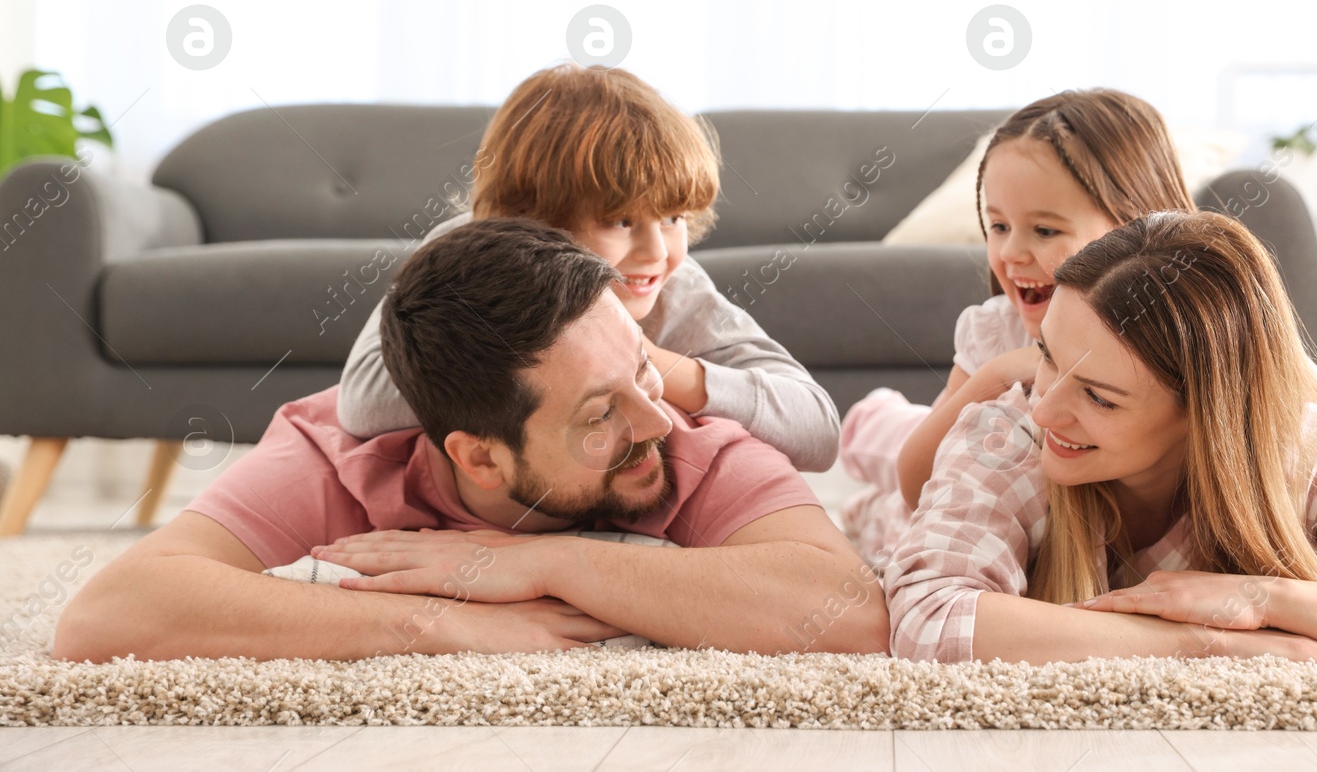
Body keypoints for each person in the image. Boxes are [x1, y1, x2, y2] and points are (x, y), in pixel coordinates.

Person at [54, 219, 886, 662]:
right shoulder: (334, 451)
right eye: (598, 414)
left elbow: (850, 613)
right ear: (478, 456)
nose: (653, 419)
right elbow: (107, 616)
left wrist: (543, 563)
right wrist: (435, 624)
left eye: (643, 369)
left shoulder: (679, 436)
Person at [886, 211, 1317, 663]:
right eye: (1047, 354)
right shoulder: (1005, 429)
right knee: (881, 464)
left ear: (1207, 415)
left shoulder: (1303, 451)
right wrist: (1210, 644)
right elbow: (929, 618)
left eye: (1099, 396)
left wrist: (1267, 601)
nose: (1045, 408)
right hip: (898, 510)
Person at [340, 61, 839, 472]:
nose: (657, 251)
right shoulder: (462, 256)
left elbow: (817, 431)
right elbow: (363, 402)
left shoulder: (674, 288)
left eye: (672, 217)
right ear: (529, 221)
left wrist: (641, 360)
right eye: (620, 221)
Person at [838, 90, 1197, 567]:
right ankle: (869, 421)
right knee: (885, 459)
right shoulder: (997, 333)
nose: (1009, 253)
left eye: (1045, 231)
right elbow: (915, 481)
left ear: (1136, 228)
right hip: (952, 498)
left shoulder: (1195, 330)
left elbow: (1302, 412)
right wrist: (997, 375)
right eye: (999, 226)